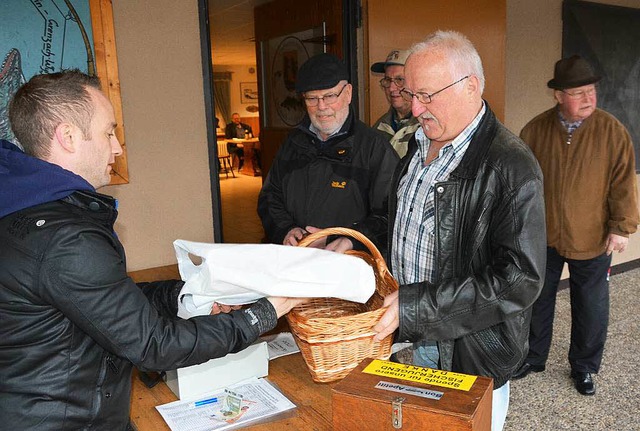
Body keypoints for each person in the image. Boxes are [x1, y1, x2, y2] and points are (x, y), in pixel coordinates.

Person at [0, 70, 304, 430]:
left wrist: (182, 294)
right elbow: (154, 345)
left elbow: (106, 300)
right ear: (67, 136)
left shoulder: (25, 207)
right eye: (108, 132)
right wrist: (265, 313)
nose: (117, 146)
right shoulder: (65, 238)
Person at [372, 31, 546, 431]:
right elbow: (402, 222)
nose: (415, 108)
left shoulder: (511, 166)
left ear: (471, 86)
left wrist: (417, 306)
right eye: (410, 93)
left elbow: (520, 279)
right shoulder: (418, 145)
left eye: (426, 95)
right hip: (405, 335)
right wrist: (353, 236)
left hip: (467, 350)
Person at [513, 55, 639, 396]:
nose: (589, 99)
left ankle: (584, 367)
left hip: (593, 236)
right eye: (579, 92)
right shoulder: (535, 130)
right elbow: (523, 185)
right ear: (558, 96)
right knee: (537, 300)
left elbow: (623, 183)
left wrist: (621, 226)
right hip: (544, 237)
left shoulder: (612, 131)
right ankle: (533, 357)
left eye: (592, 90)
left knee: (590, 305)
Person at [257, 53, 399, 252]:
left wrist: (349, 239)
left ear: (348, 93)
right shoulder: (292, 143)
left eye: (330, 96)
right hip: (295, 262)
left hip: (349, 266)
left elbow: (391, 214)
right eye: (312, 98)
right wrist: (286, 230)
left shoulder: (374, 149)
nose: (321, 107)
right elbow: (270, 197)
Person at [370, 49, 420, 157]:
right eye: (388, 80)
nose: (392, 88)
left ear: (415, 82)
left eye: (400, 80)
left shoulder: (427, 125)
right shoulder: (379, 126)